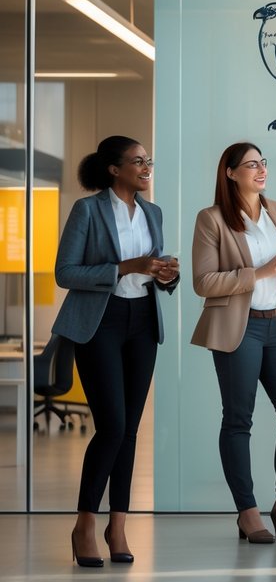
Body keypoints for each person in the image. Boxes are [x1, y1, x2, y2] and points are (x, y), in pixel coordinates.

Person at [53, 136, 179, 567]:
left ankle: (118, 524)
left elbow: (153, 271)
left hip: (142, 320)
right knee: (112, 425)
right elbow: (65, 272)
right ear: (113, 168)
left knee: (129, 431)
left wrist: (165, 272)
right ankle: (85, 522)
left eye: (149, 161)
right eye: (138, 161)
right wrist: (128, 267)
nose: (146, 168)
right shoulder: (87, 210)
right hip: (100, 323)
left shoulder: (152, 212)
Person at [190, 142, 276, 544]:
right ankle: (247, 511)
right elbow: (204, 282)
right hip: (240, 327)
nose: (260, 169)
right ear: (230, 173)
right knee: (238, 419)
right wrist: (261, 271)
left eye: (262, 162)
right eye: (251, 164)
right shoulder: (211, 219)